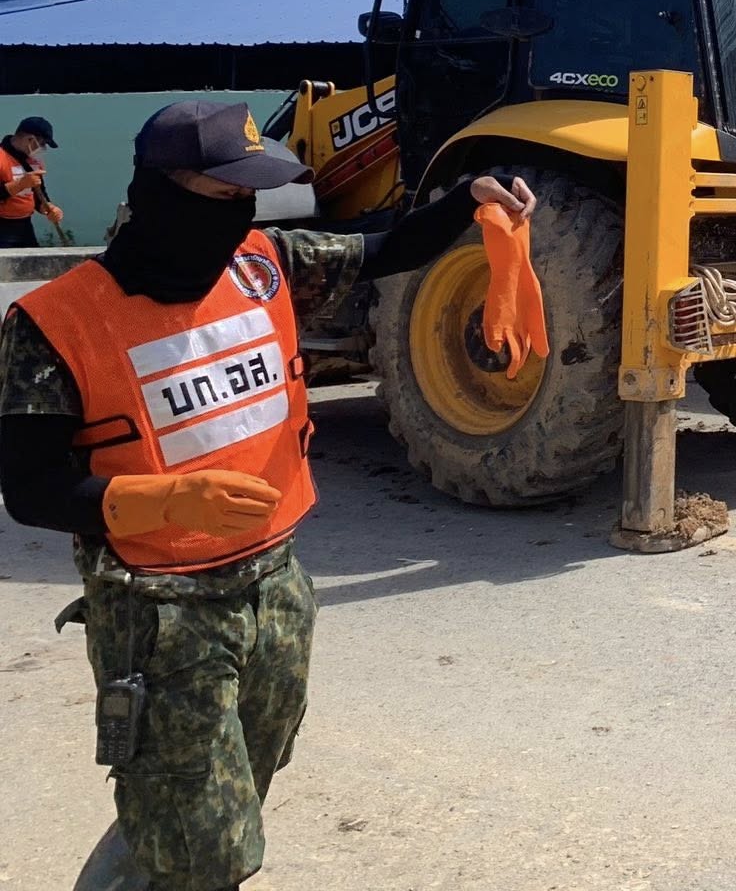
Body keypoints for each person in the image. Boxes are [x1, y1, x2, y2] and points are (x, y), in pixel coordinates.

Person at [0, 100, 538, 891]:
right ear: (161, 191)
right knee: (206, 839)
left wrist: (468, 200)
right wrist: (165, 501)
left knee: (227, 788)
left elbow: (387, 248)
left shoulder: (263, 263)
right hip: (160, 610)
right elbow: (32, 489)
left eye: (249, 196)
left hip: (276, 585)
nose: (242, 213)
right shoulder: (53, 323)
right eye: (225, 195)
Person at [0, 114, 63, 249]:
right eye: (42, 144)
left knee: (33, 259)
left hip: (25, 225)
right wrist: (20, 184)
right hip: (3, 226)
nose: (43, 148)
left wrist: (49, 208)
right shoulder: (1, 158)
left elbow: (39, 193)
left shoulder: (34, 161)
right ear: (30, 139)